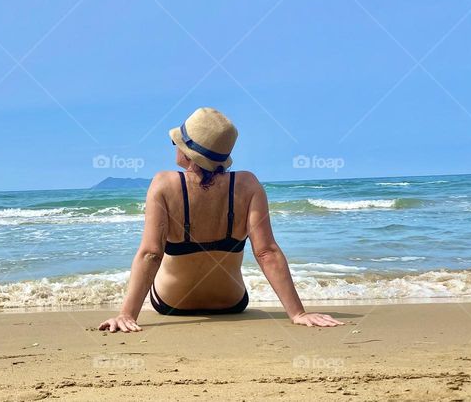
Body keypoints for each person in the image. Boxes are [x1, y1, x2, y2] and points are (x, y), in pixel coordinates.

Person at [99, 107, 343, 332]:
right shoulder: (247, 184)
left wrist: (126, 315)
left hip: (171, 303)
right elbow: (267, 252)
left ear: (188, 152)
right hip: (232, 302)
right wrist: (297, 313)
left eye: (177, 141)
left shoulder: (164, 183)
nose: (174, 144)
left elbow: (151, 253)